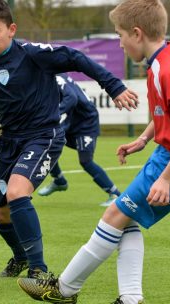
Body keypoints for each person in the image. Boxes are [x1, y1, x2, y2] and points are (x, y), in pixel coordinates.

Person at [17, 0, 170, 303]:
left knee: (114, 214)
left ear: (137, 33)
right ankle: (130, 298)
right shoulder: (163, 62)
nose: (120, 42)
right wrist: (142, 139)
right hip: (169, 154)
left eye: (119, 35)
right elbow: (167, 114)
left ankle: (64, 289)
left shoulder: (168, 71)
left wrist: (166, 179)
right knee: (125, 218)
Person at [0, 0, 138, 280]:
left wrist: (114, 86)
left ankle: (40, 269)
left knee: (17, 192)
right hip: (10, 143)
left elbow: (75, 58)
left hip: (43, 137)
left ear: (11, 29)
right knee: (2, 215)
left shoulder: (33, 54)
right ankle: (21, 257)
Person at [37, 73, 121, 207]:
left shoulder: (55, 76)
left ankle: (115, 194)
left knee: (86, 161)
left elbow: (72, 98)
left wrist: (55, 113)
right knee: (46, 145)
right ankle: (59, 181)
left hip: (85, 124)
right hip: (71, 122)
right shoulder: (47, 78)